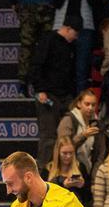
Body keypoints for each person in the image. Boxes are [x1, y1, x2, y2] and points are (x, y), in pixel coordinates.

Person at [30, 16, 80, 165]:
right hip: (48, 95)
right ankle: (44, 172)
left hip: (65, 96)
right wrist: (40, 90)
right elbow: (37, 64)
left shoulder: (70, 46)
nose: (75, 37)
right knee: (48, 136)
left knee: (67, 135)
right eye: (75, 33)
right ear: (68, 28)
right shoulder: (49, 40)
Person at [54, 0, 102, 92]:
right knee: (63, 66)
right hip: (63, 28)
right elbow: (56, 3)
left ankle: (80, 102)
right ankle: (64, 100)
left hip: (84, 28)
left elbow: (95, 3)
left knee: (82, 68)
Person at [55, 89, 105, 174]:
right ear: (79, 104)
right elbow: (63, 148)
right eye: (87, 104)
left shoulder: (97, 123)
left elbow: (100, 153)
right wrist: (83, 136)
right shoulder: (68, 120)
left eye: (93, 105)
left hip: (89, 171)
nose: (90, 108)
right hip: (69, 171)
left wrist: (95, 175)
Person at [44, 135, 91, 207]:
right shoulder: (48, 169)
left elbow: (88, 197)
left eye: (71, 153)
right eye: (65, 153)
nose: (68, 156)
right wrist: (63, 186)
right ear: (58, 153)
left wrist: (82, 185)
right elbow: (44, 194)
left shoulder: (80, 167)